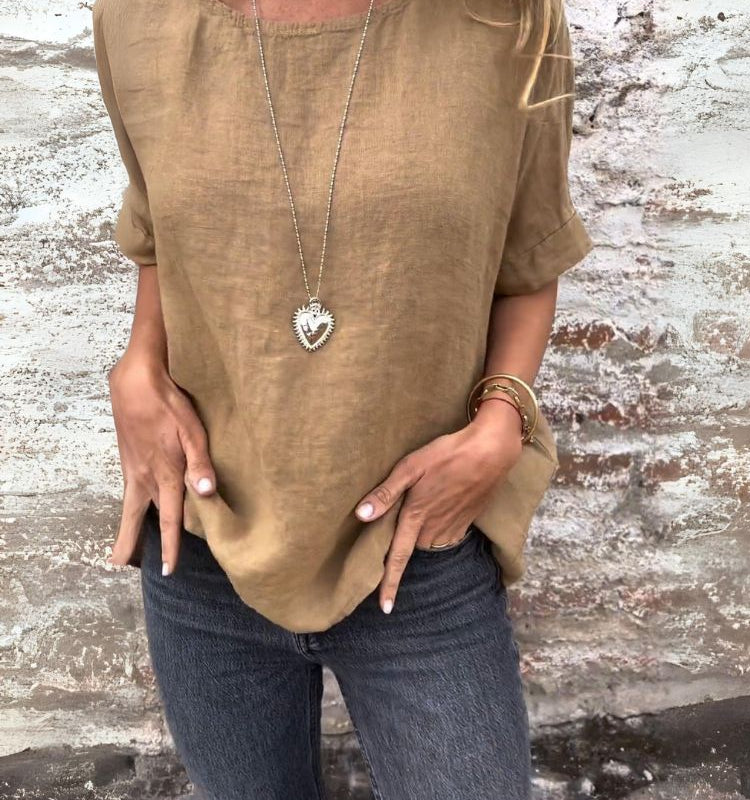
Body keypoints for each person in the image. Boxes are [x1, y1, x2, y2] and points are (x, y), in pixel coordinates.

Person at [91, 0, 594, 797]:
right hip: (205, 538)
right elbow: (162, 237)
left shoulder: (509, 20)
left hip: (422, 547)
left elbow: (530, 256)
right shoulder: (137, 17)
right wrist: (136, 364)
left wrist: (503, 420)